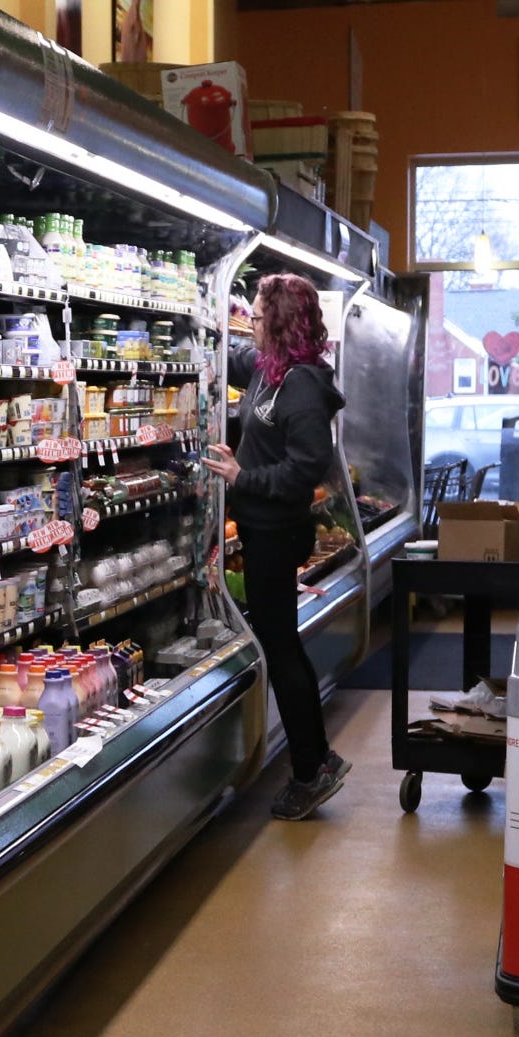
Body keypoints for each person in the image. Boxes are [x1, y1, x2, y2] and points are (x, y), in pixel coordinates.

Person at [210, 271, 349, 818]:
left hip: (275, 530)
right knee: (282, 644)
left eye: (261, 312)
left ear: (281, 320)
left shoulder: (303, 386)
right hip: (261, 528)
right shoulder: (271, 371)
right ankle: (318, 759)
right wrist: (212, 319)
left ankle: (310, 770)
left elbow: (303, 467)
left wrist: (243, 478)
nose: (255, 320)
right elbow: (238, 355)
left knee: (281, 648)